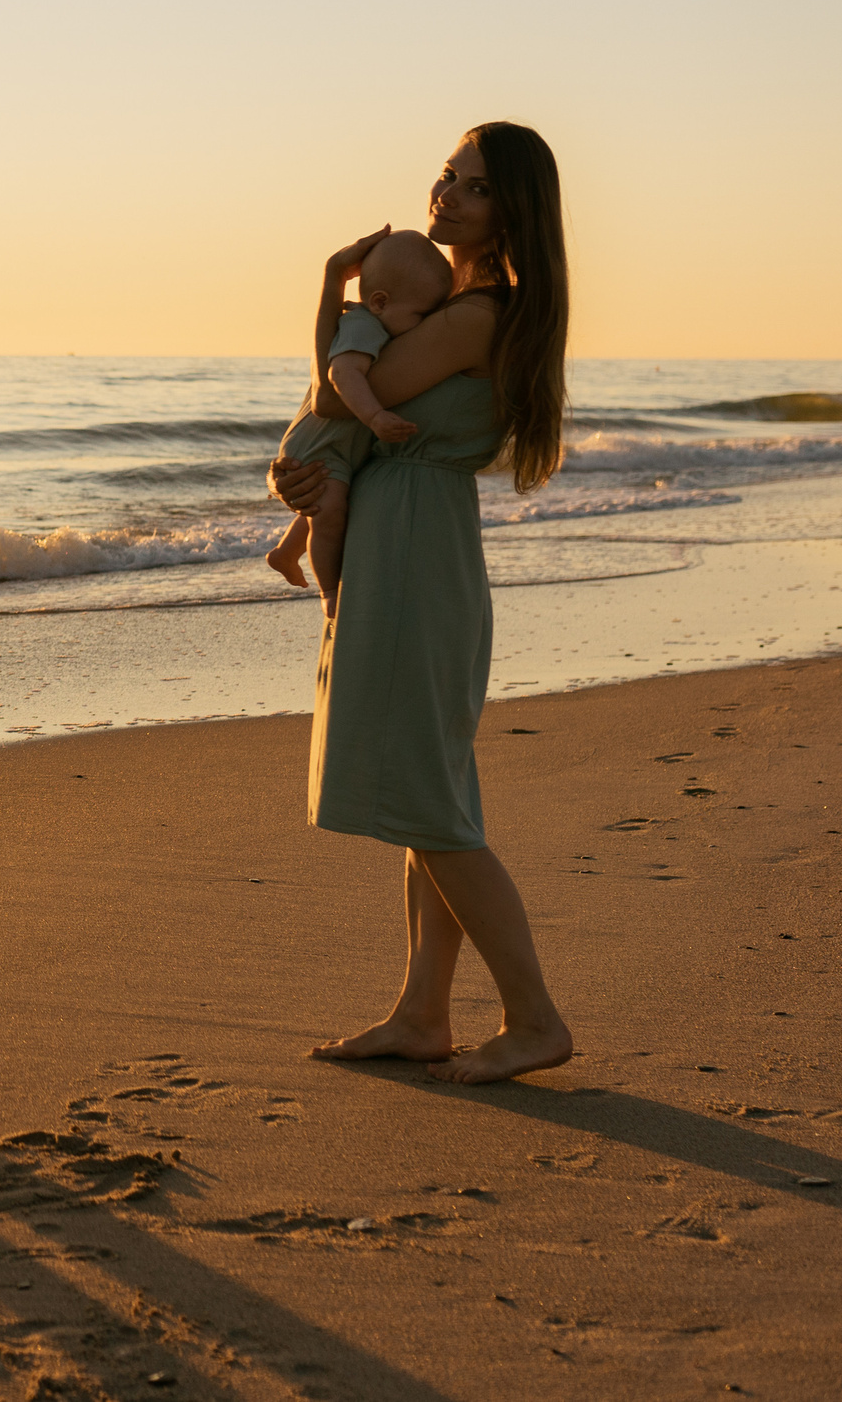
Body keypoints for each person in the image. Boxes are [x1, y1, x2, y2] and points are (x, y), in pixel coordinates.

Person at [270, 121, 576, 1085]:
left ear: (511, 209)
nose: (446, 195)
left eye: (474, 187)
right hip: (421, 538)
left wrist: (332, 292)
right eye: (446, 176)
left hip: (410, 550)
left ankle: (533, 1018)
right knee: (431, 796)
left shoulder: (479, 312)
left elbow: (338, 396)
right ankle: (423, 1012)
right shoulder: (479, 307)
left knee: (432, 802)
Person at [263, 232, 452, 614]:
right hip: (321, 444)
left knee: (329, 502)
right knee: (329, 512)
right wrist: (376, 417)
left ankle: (285, 553)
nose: (423, 326)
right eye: (420, 315)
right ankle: (329, 592)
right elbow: (341, 376)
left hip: (339, 445)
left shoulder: (380, 323)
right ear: (380, 301)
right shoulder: (364, 325)